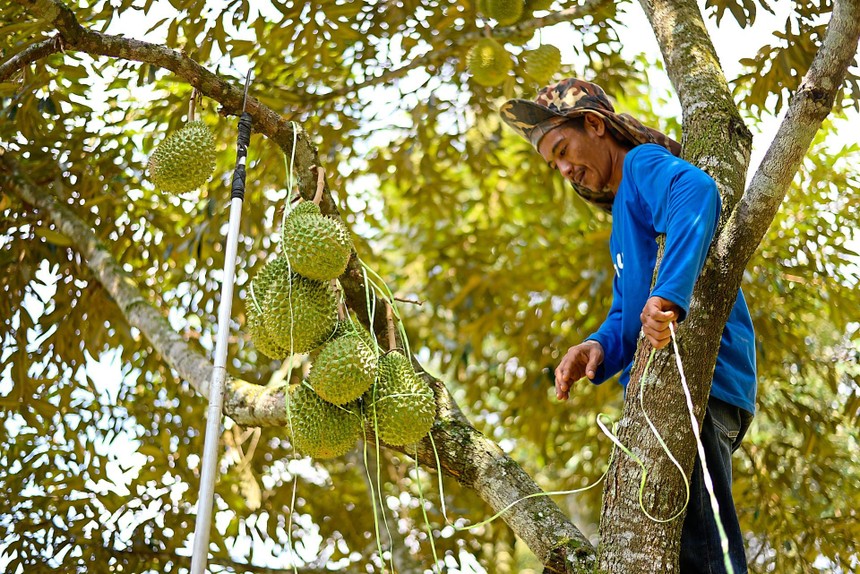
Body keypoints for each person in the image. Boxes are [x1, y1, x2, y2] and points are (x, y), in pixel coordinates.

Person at [500, 78, 757, 573]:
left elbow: (698, 190)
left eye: (561, 149)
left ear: (593, 124)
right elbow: (627, 310)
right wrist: (596, 346)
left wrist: (668, 298)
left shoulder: (640, 165)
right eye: (553, 164)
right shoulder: (623, 213)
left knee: (708, 555)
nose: (563, 169)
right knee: (686, 551)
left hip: (701, 385)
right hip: (685, 395)